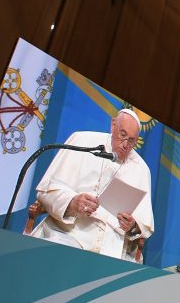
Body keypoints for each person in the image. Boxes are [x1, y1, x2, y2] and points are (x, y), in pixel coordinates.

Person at [31, 109, 154, 263]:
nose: (125, 145)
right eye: (122, 135)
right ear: (113, 124)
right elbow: (47, 190)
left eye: (131, 141)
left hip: (112, 244)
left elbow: (143, 226)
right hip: (68, 234)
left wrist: (133, 226)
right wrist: (73, 201)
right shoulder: (82, 141)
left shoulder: (141, 169)